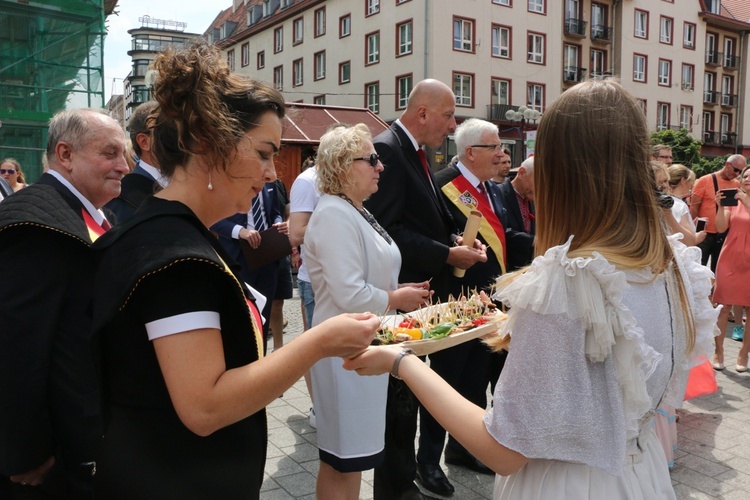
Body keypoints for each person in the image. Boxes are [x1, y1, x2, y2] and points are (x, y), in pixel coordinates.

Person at [345, 79, 718, 500]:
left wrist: (402, 362)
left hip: (569, 484)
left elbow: (504, 451)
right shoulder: (672, 263)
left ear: (563, 171)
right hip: (640, 474)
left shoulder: (570, 280)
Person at [89, 42, 378, 499]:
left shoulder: (164, 231)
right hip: (174, 477)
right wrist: (318, 342)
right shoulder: (177, 259)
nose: (270, 173)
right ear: (208, 144)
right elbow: (205, 406)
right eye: (264, 153)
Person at [364, 79, 486, 499]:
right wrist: (446, 255)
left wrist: (456, 240)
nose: (453, 126)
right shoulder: (387, 150)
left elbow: (422, 218)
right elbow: (387, 229)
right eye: (449, 115)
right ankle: (396, 487)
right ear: (422, 113)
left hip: (417, 293)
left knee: (408, 396)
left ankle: (404, 480)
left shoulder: (412, 151)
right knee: (399, 400)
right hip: (398, 297)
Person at [0, 108, 128, 498]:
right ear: (66, 154)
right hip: (50, 461)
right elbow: (15, 349)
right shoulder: (33, 226)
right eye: (110, 153)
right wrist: (24, 453)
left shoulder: (87, 213)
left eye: (124, 155)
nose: (123, 166)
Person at [305, 123, 431, 500]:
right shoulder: (333, 214)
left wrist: (398, 291)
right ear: (343, 166)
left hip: (361, 347)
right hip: (342, 353)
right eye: (371, 159)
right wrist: (395, 300)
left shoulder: (354, 209)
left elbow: (367, 276)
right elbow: (348, 291)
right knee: (341, 461)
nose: (380, 166)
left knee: (356, 459)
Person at [432, 118, 508, 476]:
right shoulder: (444, 185)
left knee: (476, 381)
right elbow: (439, 238)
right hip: (454, 301)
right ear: (471, 152)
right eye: (494, 147)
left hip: (487, 301)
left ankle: (463, 450)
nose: (501, 154)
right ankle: (427, 461)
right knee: (446, 382)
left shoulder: (491, 187)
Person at [211, 181, 286, 346]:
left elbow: (275, 213)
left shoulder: (269, 183)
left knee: (264, 314)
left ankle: (262, 360)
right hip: (238, 257)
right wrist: (240, 231)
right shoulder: (227, 182)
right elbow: (212, 219)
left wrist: (278, 222)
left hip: (268, 254)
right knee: (242, 314)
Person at [289, 154, 322, 427]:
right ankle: (317, 407)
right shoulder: (307, 181)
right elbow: (296, 233)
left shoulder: (344, 180)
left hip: (338, 276)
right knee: (315, 345)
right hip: (313, 278)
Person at [712, 167, 750, 372]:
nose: (748, 179)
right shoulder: (733, 200)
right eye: (745, 176)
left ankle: (744, 353)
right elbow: (719, 228)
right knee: (722, 307)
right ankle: (718, 351)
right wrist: (719, 207)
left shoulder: (744, 201)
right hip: (730, 258)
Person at [105, 101, 166, 222]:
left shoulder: (194, 185)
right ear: (144, 141)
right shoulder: (120, 200)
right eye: (170, 131)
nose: (184, 138)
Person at [690, 154, 746, 271]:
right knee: (698, 269)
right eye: (735, 169)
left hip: (724, 234)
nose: (736, 174)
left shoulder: (737, 185)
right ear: (727, 164)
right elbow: (694, 208)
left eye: (740, 172)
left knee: (720, 270)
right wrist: (693, 232)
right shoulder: (704, 180)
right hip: (704, 234)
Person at [494, 156, 535, 271]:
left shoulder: (532, 198)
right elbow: (500, 231)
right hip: (507, 269)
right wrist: (532, 240)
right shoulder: (498, 194)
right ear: (521, 173)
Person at [269, 178, 293, 352]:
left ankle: (278, 348)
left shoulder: (276, 183)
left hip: (274, 246)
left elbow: (280, 210)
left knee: (277, 302)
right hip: (246, 249)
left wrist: (282, 221)